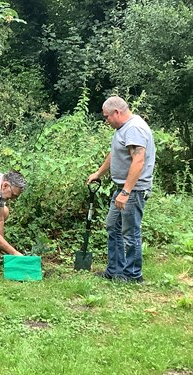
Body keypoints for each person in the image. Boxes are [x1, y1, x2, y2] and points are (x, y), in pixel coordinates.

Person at [86, 96, 155, 283]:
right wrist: (99, 173)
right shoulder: (123, 129)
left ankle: (133, 275)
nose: (106, 120)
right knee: (113, 226)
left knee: (130, 232)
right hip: (123, 188)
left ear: (117, 112)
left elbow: (138, 160)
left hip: (133, 190)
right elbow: (115, 152)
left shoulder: (134, 128)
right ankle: (115, 271)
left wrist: (126, 192)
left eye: (106, 116)